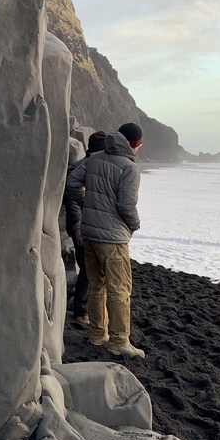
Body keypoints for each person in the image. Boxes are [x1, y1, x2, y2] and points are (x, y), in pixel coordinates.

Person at [65, 122, 145, 359]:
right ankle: (119, 340)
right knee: (120, 289)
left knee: (96, 285)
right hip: (113, 239)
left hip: (90, 234)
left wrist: (89, 207)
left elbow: (71, 183)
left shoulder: (95, 158)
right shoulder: (129, 168)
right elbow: (126, 205)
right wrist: (135, 224)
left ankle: (97, 334)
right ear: (134, 144)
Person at [63, 131, 107, 328]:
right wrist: (78, 225)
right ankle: (80, 311)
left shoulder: (89, 166)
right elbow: (72, 199)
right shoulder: (83, 168)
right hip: (81, 225)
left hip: (85, 225)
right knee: (88, 269)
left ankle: (82, 308)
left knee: (88, 268)